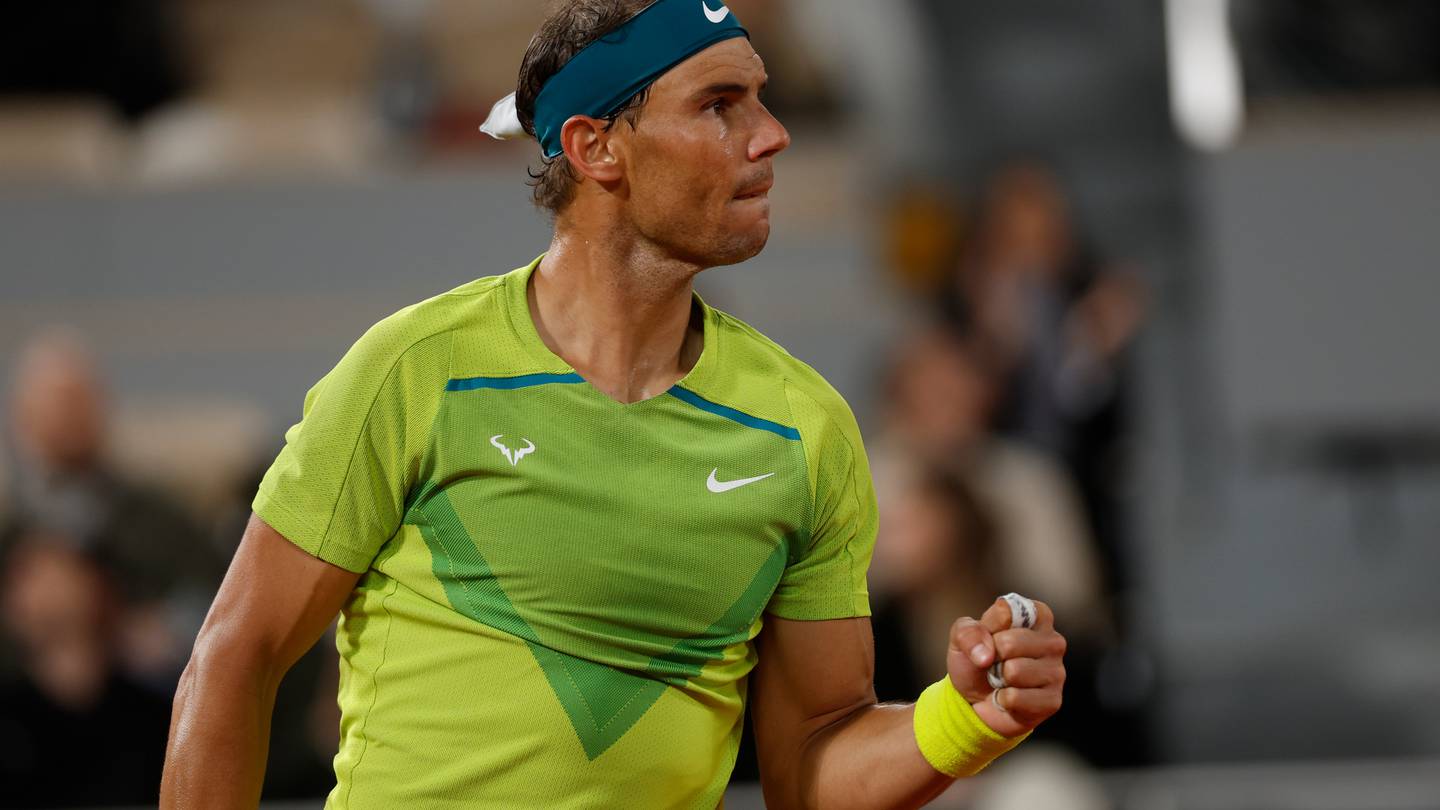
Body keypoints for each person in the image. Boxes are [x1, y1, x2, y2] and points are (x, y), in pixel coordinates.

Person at [161, 2, 1066, 807]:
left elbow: (810, 762)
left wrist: (963, 719)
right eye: (720, 105)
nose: (773, 134)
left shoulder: (806, 428)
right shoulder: (416, 370)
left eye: (761, 97)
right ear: (598, 148)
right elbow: (237, 657)